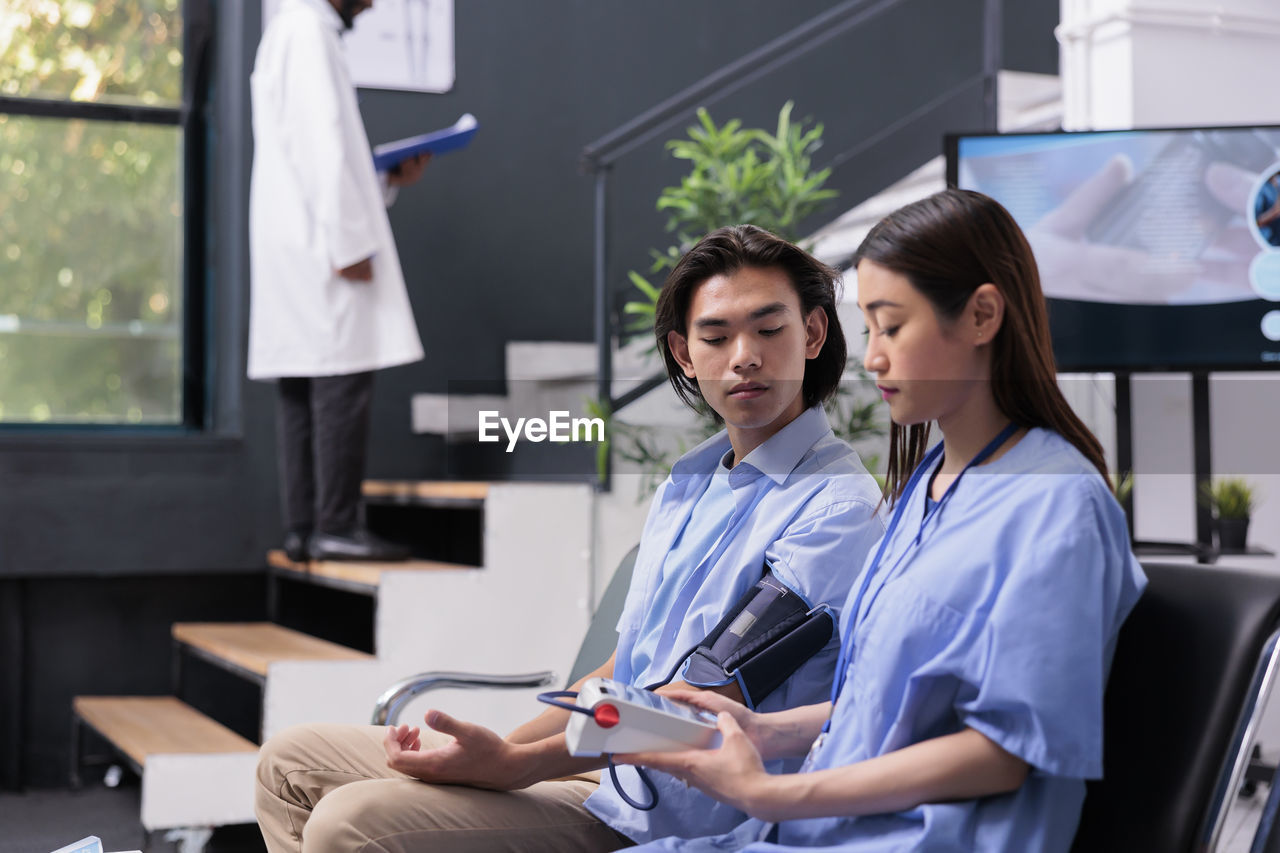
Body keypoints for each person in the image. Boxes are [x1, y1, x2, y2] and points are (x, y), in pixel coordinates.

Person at [253, 225, 887, 852]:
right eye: (716, 336)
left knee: (349, 822)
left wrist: (520, 765)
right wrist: (499, 751)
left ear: (813, 332)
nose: (744, 355)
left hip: (666, 808)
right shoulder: (690, 482)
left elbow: (697, 705)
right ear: (685, 355)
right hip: (596, 761)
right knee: (288, 765)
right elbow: (621, 670)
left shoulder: (837, 511)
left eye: (768, 329)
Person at [619, 189, 1148, 852]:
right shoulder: (928, 488)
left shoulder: (1056, 505)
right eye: (868, 329)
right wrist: (768, 732)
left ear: (982, 315)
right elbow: (892, 704)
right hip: (812, 830)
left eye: (892, 326)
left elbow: (1001, 750)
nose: (871, 357)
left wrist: (772, 791)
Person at [248, 0, 430, 562]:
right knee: (341, 381)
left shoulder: (289, 29)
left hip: (296, 239)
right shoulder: (308, 31)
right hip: (323, 244)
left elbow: (314, 150)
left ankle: (304, 528)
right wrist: (350, 242)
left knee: (304, 383)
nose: (373, 3)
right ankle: (337, 524)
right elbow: (323, 146)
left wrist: (381, 180)